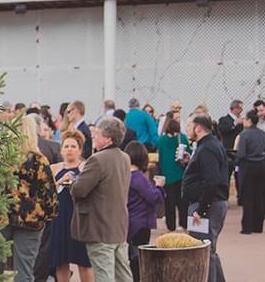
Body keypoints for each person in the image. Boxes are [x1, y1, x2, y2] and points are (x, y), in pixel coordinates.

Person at [70, 118, 132, 282]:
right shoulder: (125, 157)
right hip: (118, 227)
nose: (94, 137)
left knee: (104, 276)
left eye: (97, 134)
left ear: (108, 138)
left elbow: (79, 190)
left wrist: (74, 181)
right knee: (123, 275)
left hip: (99, 227)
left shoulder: (97, 159)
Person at [7, 115, 59, 282]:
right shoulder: (38, 160)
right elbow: (50, 195)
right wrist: (48, 216)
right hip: (30, 219)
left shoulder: (2, 158)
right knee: (24, 271)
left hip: (2, 216)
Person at [182, 115, 229, 282]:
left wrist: (201, 209)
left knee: (202, 251)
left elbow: (211, 181)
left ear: (198, 128)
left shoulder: (208, 147)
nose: (186, 129)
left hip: (207, 207)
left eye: (188, 125)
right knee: (209, 250)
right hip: (208, 204)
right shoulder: (206, 146)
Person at [49, 130, 94, 282]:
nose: (69, 149)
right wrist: (60, 181)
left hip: (79, 217)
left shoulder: (86, 166)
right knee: (60, 261)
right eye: (66, 146)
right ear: (61, 149)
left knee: (84, 261)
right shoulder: (54, 168)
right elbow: (46, 191)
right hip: (59, 218)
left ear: (80, 149)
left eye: (73, 146)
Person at [124, 141, 165, 280]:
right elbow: (153, 197)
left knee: (131, 258)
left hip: (129, 221)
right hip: (140, 223)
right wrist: (159, 187)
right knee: (139, 260)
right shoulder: (139, 177)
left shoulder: (125, 175)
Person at [235, 109, 265, 234]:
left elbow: (242, 154)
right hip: (261, 165)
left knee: (248, 197)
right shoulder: (262, 133)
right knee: (259, 195)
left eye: (244, 119)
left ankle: (247, 227)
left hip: (248, 166)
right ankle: (258, 226)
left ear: (249, 120)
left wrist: (235, 160)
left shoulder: (244, 134)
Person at [157, 117, 190, 231]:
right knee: (182, 202)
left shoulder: (162, 140)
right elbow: (189, 153)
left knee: (169, 203)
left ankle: (170, 226)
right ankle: (184, 224)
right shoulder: (183, 138)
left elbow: (160, 157)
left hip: (167, 175)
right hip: (181, 174)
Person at [217, 100, 244, 204]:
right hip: (228, 151)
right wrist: (234, 124)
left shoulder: (242, 121)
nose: (241, 111)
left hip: (238, 151)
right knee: (226, 175)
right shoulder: (224, 119)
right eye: (240, 108)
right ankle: (224, 197)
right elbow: (222, 131)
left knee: (239, 175)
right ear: (235, 108)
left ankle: (241, 198)